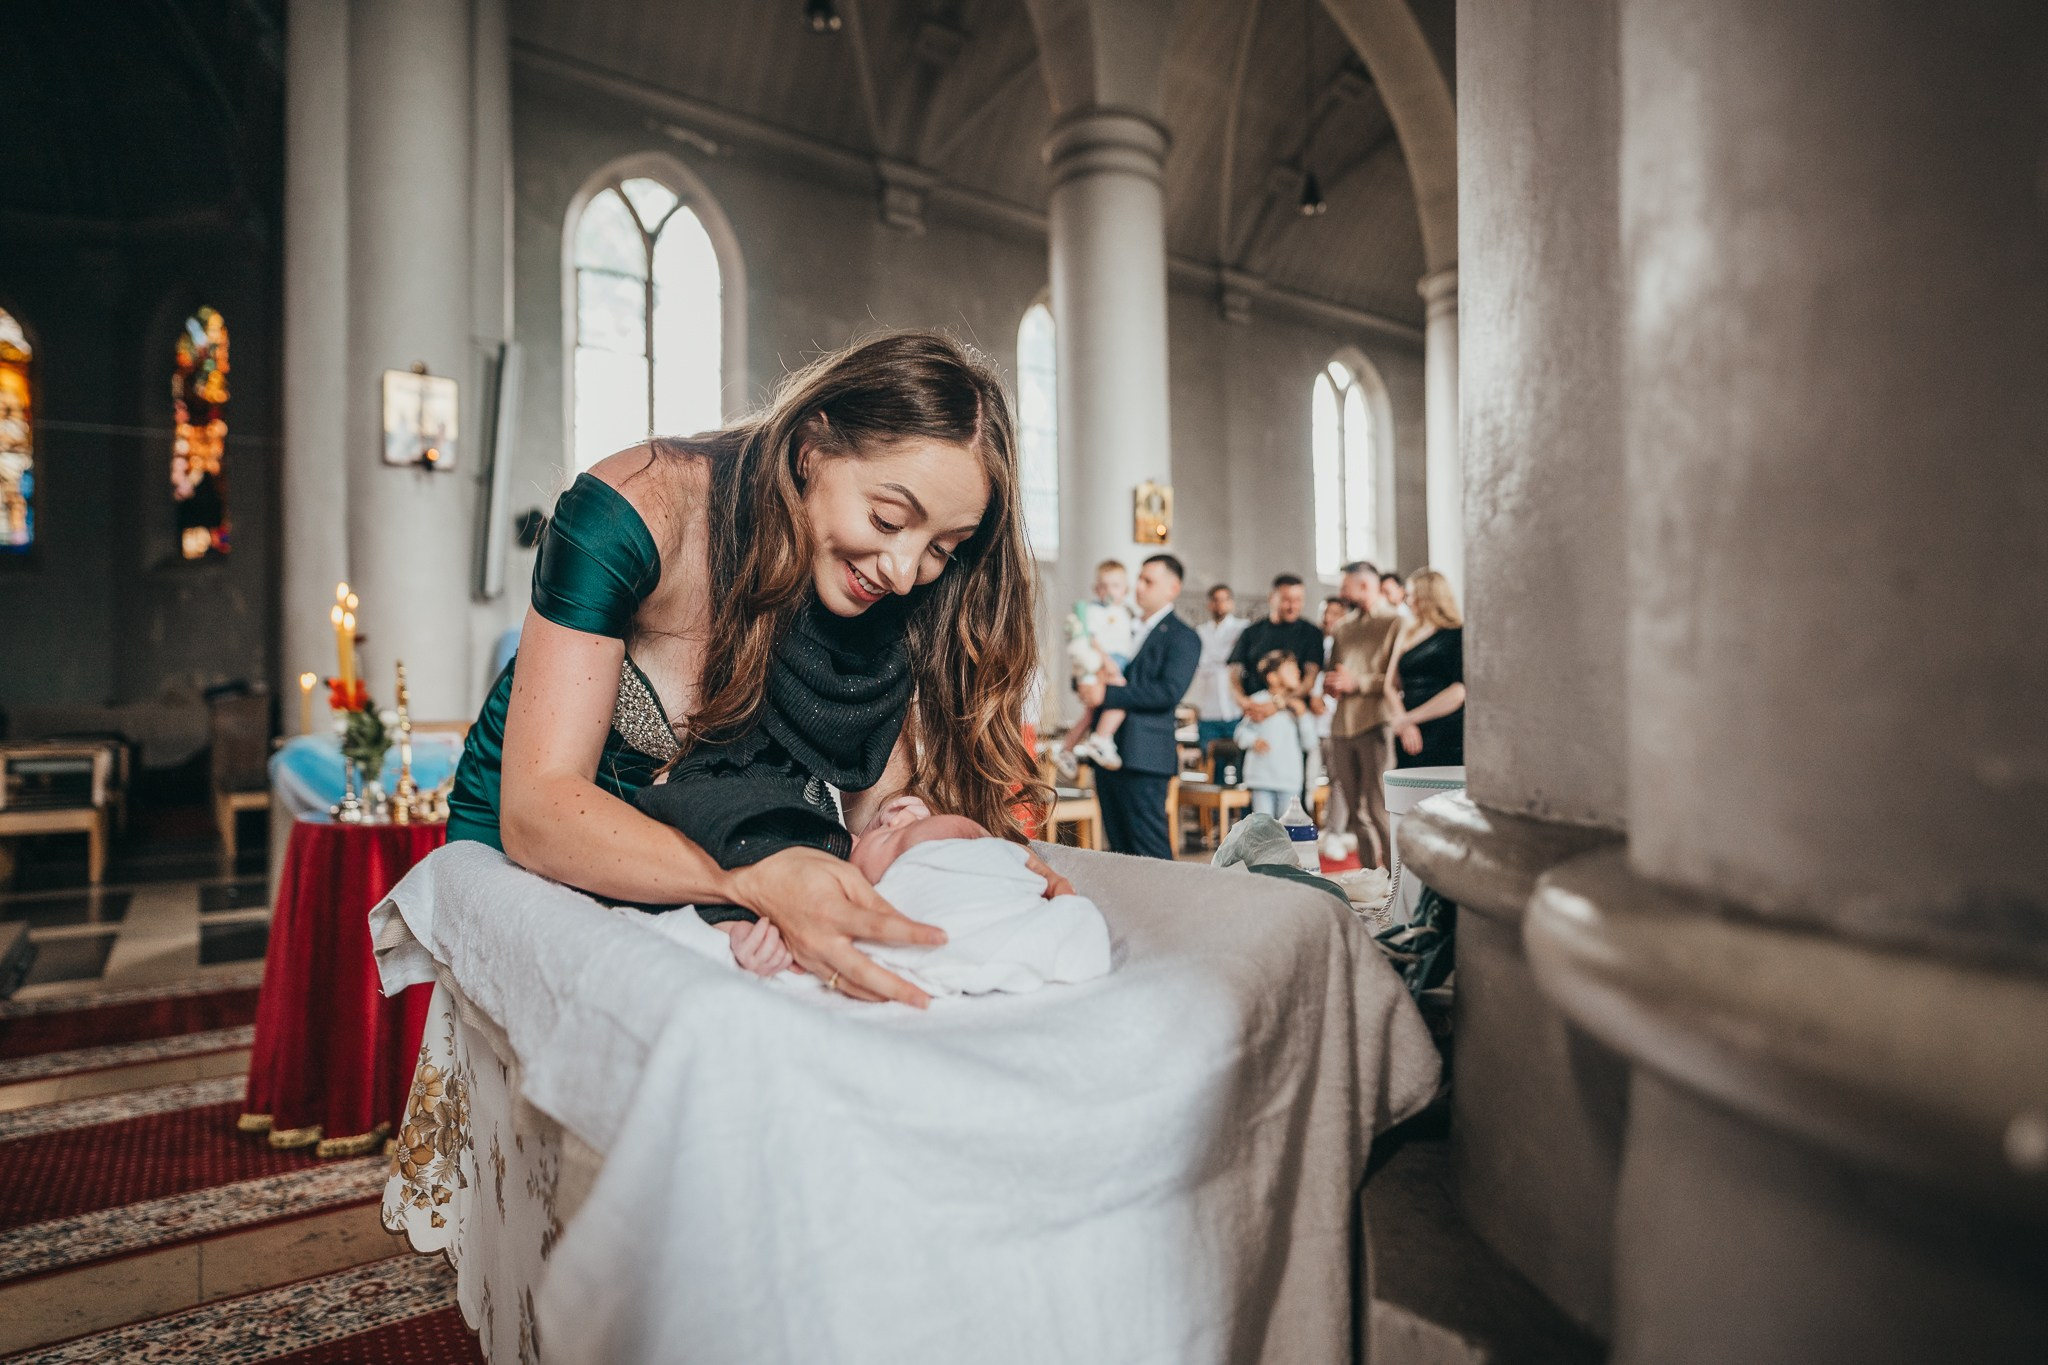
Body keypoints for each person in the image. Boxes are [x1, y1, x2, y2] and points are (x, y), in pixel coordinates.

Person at [444, 331, 1068, 1011]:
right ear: (811, 449)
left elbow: (884, 816)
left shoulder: (886, 592)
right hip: (540, 838)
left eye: (942, 548)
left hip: (735, 878)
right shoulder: (639, 509)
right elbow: (537, 809)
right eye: (887, 518)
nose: (902, 571)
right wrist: (749, 879)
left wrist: (976, 869)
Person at [676, 793, 1113, 995]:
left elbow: (994, 848)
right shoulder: (832, 867)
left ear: (898, 813)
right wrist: (751, 940)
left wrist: (1021, 867)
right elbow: (795, 918)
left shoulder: (923, 827)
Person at [1075, 554, 1201, 859]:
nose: (1139, 587)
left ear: (1173, 588)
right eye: (1139, 579)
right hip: (1107, 756)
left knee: (1150, 851)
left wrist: (1106, 695)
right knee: (1118, 852)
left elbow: (1167, 692)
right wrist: (1083, 683)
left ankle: (1164, 895)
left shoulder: (1183, 637)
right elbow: (1093, 664)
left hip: (1145, 757)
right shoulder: (1121, 624)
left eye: (1148, 581)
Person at [1319, 561, 1404, 866]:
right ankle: (1371, 876)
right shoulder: (1343, 627)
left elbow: (1399, 679)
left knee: (1379, 808)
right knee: (1356, 812)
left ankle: (1397, 881)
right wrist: (1331, 684)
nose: (1341, 592)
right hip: (1342, 726)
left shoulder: (1395, 622)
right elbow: (1334, 670)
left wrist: (1358, 682)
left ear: (1365, 585)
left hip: (1375, 722)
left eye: (1346, 586)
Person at [1056, 560, 1135, 775]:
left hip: (1116, 660)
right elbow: (1091, 638)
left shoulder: (1125, 612)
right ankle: (1101, 738)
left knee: (1091, 713)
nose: (1109, 591)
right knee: (1122, 696)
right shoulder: (1095, 611)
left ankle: (1066, 749)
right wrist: (1107, 662)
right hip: (1105, 662)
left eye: (1116, 586)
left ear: (1126, 589)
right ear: (1096, 589)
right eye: (1104, 586)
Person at [1386, 568, 1466, 768]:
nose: (1408, 601)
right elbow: (1390, 685)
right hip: (1409, 732)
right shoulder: (1407, 632)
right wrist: (1404, 722)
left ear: (1427, 597)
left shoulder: (1457, 634)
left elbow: (1458, 691)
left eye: (1411, 595)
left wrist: (1409, 719)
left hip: (1444, 728)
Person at [1226, 574, 1327, 727]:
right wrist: (1243, 701)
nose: (1293, 606)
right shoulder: (1251, 632)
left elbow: (1310, 678)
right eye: (1287, 600)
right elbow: (1234, 672)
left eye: (1298, 600)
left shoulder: (1311, 633)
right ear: (1271, 598)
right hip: (1255, 714)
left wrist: (1277, 704)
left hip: (1293, 717)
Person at [1234, 651, 1318, 819]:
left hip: (1289, 779)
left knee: (1287, 827)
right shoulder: (1258, 702)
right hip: (1261, 778)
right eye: (1290, 669)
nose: (1298, 672)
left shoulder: (1298, 707)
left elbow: (1309, 743)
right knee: (1264, 826)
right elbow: (1240, 733)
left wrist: (1302, 716)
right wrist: (1253, 741)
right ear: (1272, 677)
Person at [1189, 583, 1246, 749]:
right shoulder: (1200, 632)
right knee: (1210, 760)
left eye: (1225, 600)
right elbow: (1199, 667)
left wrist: (1217, 661)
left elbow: (1235, 663)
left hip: (1236, 709)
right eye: (1216, 600)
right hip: (1208, 711)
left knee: (1238, 759)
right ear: (1209, 604)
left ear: (1231, 603)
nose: (1220, 605)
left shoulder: (1242, 628)